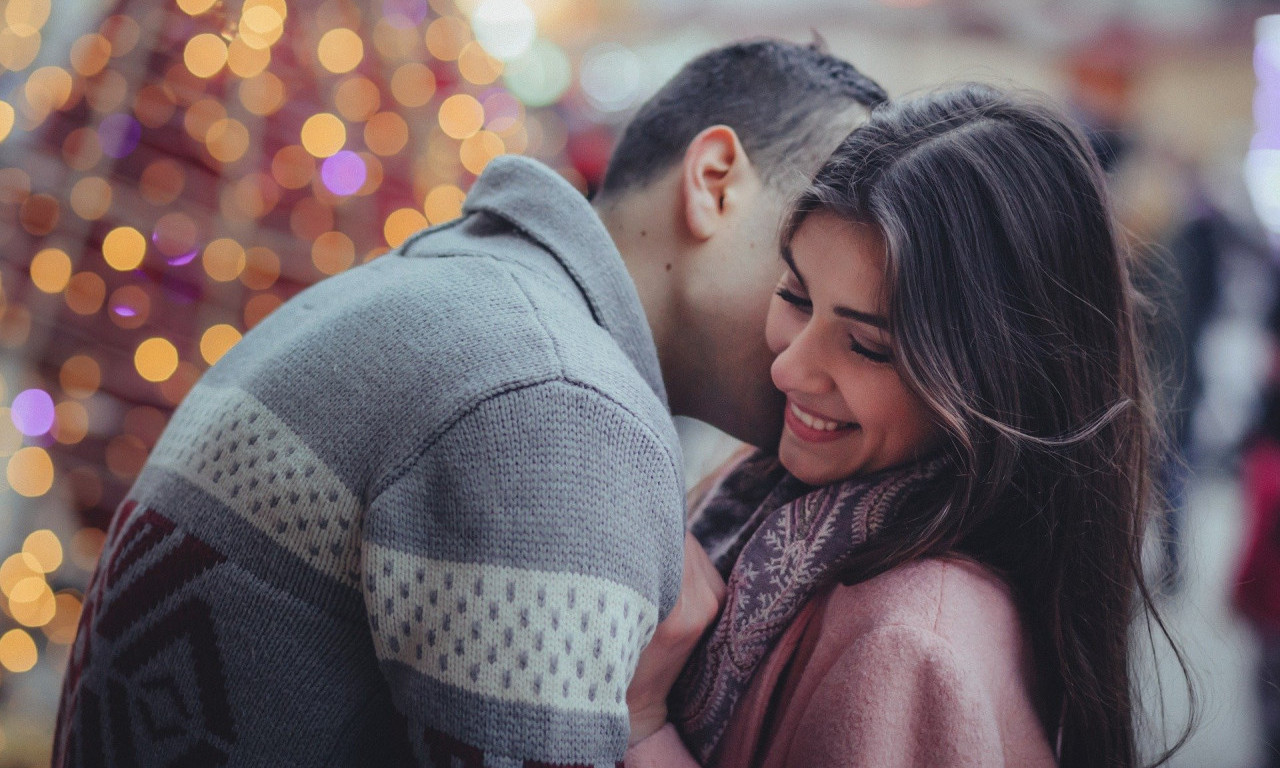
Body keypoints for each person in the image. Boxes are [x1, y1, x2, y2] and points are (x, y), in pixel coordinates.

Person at [51, 40, 887, 767]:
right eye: (806, 260)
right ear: (713, 182)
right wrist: (643, 724)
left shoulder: (458, 293)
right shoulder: (558, 401)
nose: (833, 321)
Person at [624, 83, 1189, 767]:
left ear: (999, 379)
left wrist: (643, 722)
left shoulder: (913, 642)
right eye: (797, 296)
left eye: (869, 347)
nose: (790, 371)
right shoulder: (779, 497)